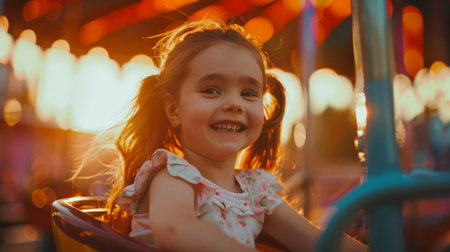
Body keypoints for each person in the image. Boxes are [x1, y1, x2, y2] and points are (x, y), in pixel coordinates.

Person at [79, 19, 367, 251]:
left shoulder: (257, 192)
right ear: (173, 109)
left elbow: (319, 241)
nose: (234, 104)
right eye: (212, 90)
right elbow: (176, 231)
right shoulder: (173, 176)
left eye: (248, 93)